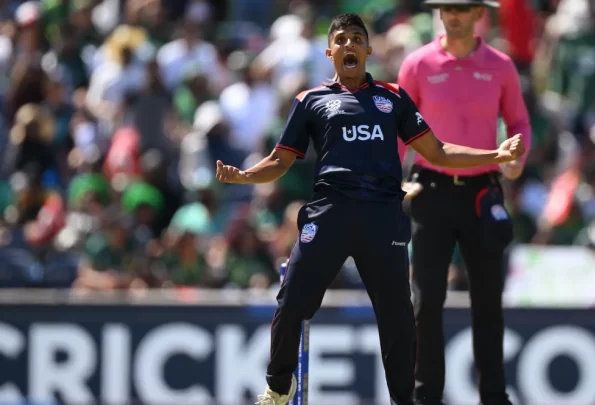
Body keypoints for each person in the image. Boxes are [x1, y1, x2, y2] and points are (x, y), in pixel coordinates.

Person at [214, 13, 525, 405]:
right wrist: (245, 176)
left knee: (397, 317)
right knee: (292, 299)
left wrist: (494, 154)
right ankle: (278, 388)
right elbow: (280, 161)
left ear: (367, 49)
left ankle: (402, 401)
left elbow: (438, 151)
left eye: (356, 39)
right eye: (341, 40)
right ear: (330, 52)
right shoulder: (311, 101)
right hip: (330, 213)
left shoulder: (392, 97)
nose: (349, 45)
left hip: (382, 217)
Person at [395, 1, 532, 404]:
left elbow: (519, 121)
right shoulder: (418, 65)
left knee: (488, 300)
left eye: (461, 7)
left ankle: (493, 395)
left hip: (480, 191)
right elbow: (400, 128)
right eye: (446, 7)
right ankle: (425, 397)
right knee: (426, 299)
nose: (452, 15)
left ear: (478, 14)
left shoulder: (500, 66)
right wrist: (388, 178)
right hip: (429, 190)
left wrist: (516, 157)